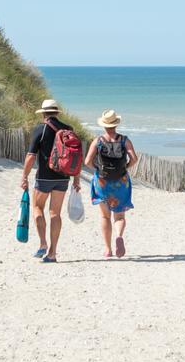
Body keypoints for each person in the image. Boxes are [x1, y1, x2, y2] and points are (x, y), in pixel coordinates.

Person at [21, 99, 80, 263]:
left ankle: (43, 243)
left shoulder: (41, 129)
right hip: (63, 177)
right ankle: (53, 252)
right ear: (56, 113)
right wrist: (76, 179)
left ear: (44, 114)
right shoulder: (68, 129)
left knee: (37, 208)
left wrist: (24, 176)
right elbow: (76, 155)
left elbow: (31, 156)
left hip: (44, 176)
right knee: (55, 213)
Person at [83, 109, 138, 258]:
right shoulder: (124, 140)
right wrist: (125, 167)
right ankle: (119, 236)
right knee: (119, 216)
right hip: (121, 181)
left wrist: (97, 169)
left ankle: (107, 249)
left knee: (105, 217)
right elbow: (134, 158)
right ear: (116, 124)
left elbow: (87, 161)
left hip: (102, 181)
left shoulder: (98, 141)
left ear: (104, 125)